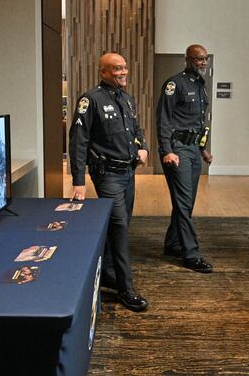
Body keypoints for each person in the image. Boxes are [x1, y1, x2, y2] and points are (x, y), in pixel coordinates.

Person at [69, 52, 149, 312]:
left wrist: (143, 147)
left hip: (128, 173)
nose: (123, 72)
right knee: (119, 227)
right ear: (103, 72)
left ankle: (107, 272)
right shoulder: (90, 100)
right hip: (107, 175)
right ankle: (126, 289)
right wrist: (78, 181)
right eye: (116, 69)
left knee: (122, 223)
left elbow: (136, 129)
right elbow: (78, 141)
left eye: (125, 67)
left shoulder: (127, 99)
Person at [156, 44, 214, 273]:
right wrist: (167, 150)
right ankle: (191, 254)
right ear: (187, 59)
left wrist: (203, 149)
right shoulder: (174, 84)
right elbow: (163, 119)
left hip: (192, 149)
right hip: (177, 148)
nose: (202, 62)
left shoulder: (201, 85)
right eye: (198, 59)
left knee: (187, 202)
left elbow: (199, 123)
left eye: (205, 59)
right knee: (182, 201)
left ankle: (172, 244)